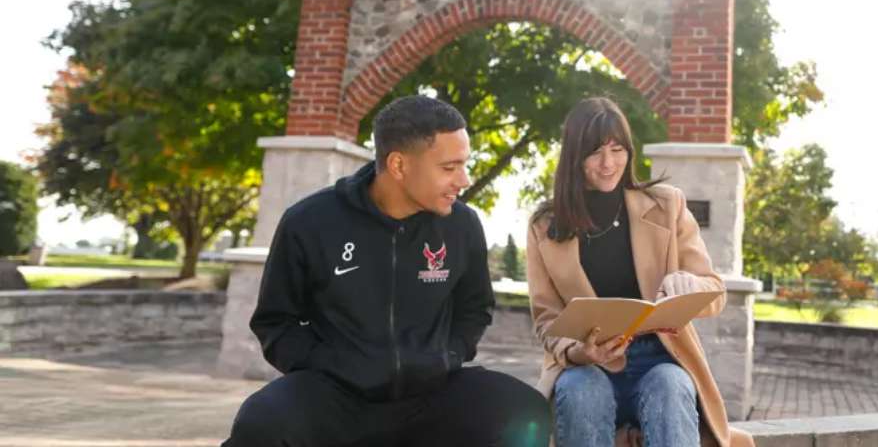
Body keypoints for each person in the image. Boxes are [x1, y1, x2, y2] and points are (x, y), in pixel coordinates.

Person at [224, 95, 551, 447]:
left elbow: (475, 308)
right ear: (398, 165)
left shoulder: (463, 225)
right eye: (449, 167)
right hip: (338, 397)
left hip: (431, 395)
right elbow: (276, 321)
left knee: (524, 410)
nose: (464, 179)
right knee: (261, 422)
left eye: (465, 164)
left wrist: (447, 356)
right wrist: (331, 365)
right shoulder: (309, 222)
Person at [526, 97, 755, 447]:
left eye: (618, 150)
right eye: (595, 153)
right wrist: (578, 352)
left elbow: (715, 292)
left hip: (660, 357)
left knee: (671, 384)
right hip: (588, 364)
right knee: (579, 389)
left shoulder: (667, 205)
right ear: (574, 156)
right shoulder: (545, 226)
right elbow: (546, 320)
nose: (608, 164)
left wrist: (689, 283)